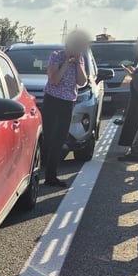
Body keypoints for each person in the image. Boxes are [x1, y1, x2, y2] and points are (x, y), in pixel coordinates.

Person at [41, 30, 90, 188]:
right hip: (52, 100)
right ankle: (38, 170)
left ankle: (51, 176)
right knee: (48, 138)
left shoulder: (79, 60)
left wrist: (78, 63)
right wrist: (67, 62)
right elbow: (54, 80)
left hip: (68, 102)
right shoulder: (56, 56)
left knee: (60, 139)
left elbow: (82, 82)